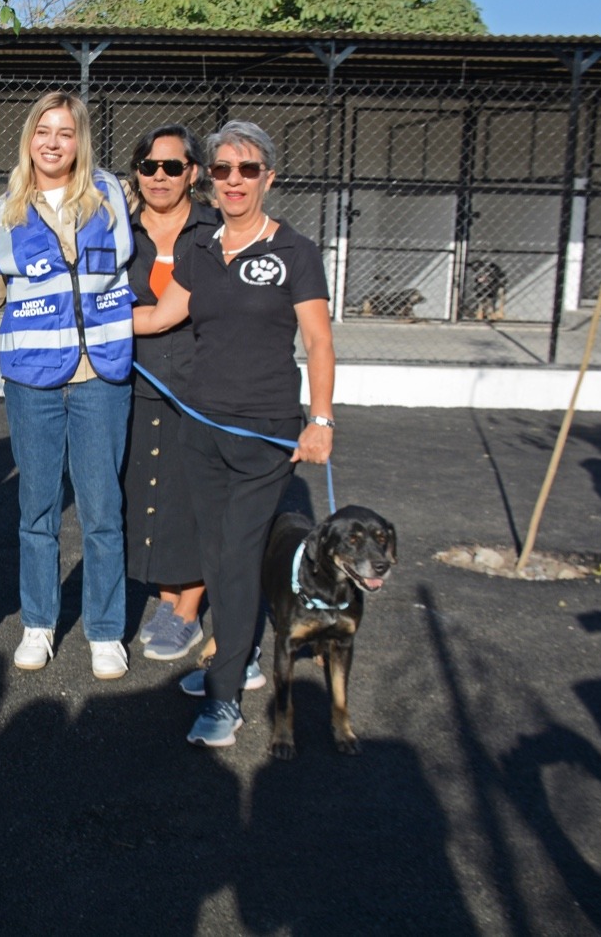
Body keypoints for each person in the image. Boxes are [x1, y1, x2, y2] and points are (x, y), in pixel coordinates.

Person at [132, 120, 336, 747]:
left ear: (268, 178)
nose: (234, 181)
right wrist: (78, 317)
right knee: (216, 551)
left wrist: (321, 419)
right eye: (223, 169)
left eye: (247, 170)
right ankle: (239, 660)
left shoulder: (295, 251)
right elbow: (160, 316)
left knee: (239, 555)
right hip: (201, 427)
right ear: (210, 179)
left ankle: (223, 701)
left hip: (265, 434)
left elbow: (318, 341)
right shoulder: (200, 249)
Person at [0, 91, 136, 681]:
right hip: (33, 379)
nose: (52, 142)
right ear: (29, 138)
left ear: (80, 141)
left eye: (65, 132)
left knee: (102, 510)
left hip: (101, 373)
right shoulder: (3, 209)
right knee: (37, 509)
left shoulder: (112, 194)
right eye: (42, 130)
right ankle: (39, 623)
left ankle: (105, 630)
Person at [121, 124, 220, 662]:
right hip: (136, 382)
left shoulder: (214, 231)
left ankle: (189, 609)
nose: (159, 176)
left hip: (200, 385)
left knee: (193, 498)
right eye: (149, 166)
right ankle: (166, 599)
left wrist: (101, 319)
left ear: (193, 172)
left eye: (172, 166)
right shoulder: (120, 229)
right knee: (149, 494)